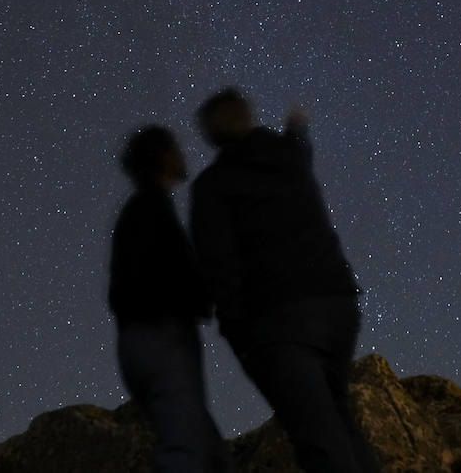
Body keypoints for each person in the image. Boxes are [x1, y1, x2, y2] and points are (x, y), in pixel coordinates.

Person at [190, 88, 376, 473]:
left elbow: (217, 264)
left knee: (318, 438)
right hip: (336, 304)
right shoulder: (289, 158)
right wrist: (296, 129)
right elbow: (298, 147)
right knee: (338, 423)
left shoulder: (214, 186)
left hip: (278, 320)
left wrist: (237, 333)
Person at [109, 125, 234, 473]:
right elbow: (171, 277)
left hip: (139, 343)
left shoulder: (140, 211)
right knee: (184, 453)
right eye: (175, 149)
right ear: (162, 157)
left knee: (209, 455)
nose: (182, 155)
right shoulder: (152, 209)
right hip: (162, 339)